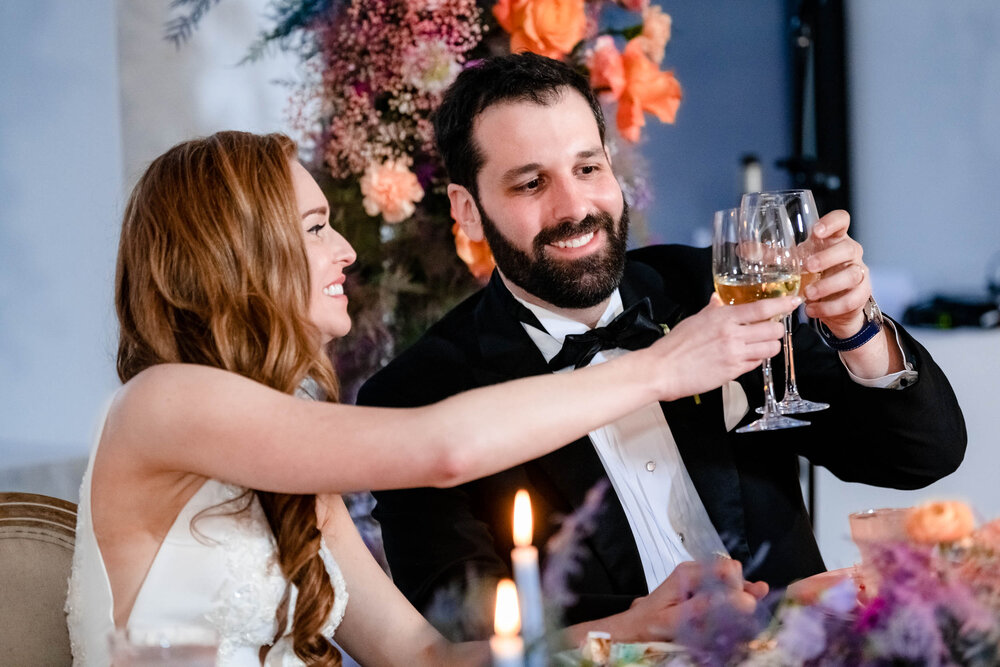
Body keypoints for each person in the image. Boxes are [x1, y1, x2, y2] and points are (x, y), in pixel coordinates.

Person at [66, 131, 783, 667]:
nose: (346, 249)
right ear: (233, 253)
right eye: (316, 228)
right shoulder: (162, 403)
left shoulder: (289, 455)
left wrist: (629, 626)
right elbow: (442, 449)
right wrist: (660, 367)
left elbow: (420, 658)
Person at [358, 53, 967, 631]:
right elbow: (457, 623)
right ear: (467, 209)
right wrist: (641, 627)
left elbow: (920, 456)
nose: (575, 208)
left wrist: (854, 327)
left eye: (588, 168)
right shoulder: (417, 394)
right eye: (530, 184)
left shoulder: (709, 286)